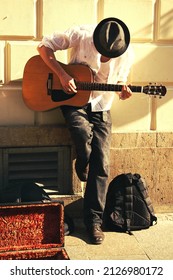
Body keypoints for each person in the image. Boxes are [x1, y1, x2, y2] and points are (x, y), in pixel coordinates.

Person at [37, 17, 134, 245]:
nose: (105, 57)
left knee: (103, 163)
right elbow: (43, 47)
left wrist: (124, 91)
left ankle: (93, 221)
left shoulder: (127, 54)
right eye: (102, 52)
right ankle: (82, 161)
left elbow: (121, 82)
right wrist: (62, 74)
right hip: (72, 100)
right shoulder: (82, 34)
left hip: (102, 105)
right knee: (82, 132)